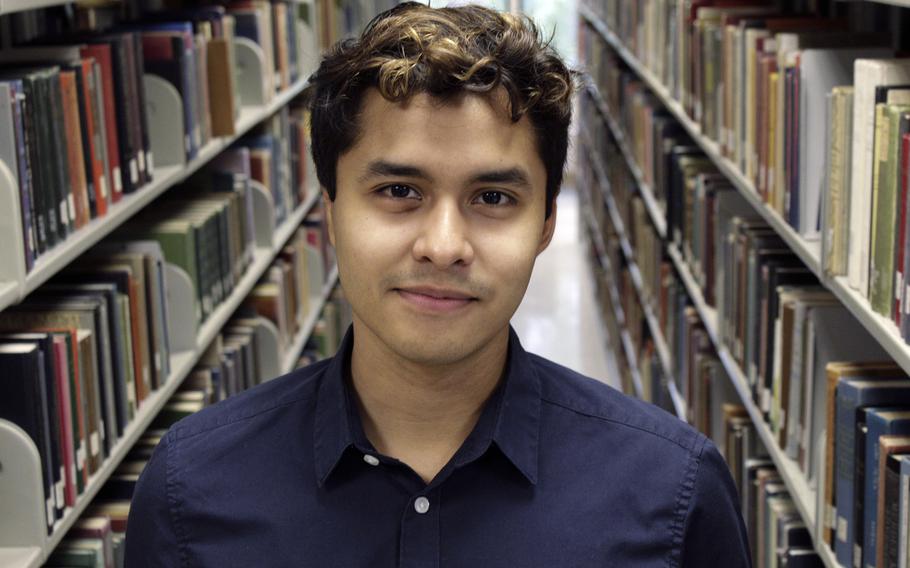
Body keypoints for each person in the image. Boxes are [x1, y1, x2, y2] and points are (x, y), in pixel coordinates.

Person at [125, 3, 751, 566]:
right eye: (399, 192)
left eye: (493, 197)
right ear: (329, 213)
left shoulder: (675, 494)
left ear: (545, 224)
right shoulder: (190, 493)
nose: (444, 246)